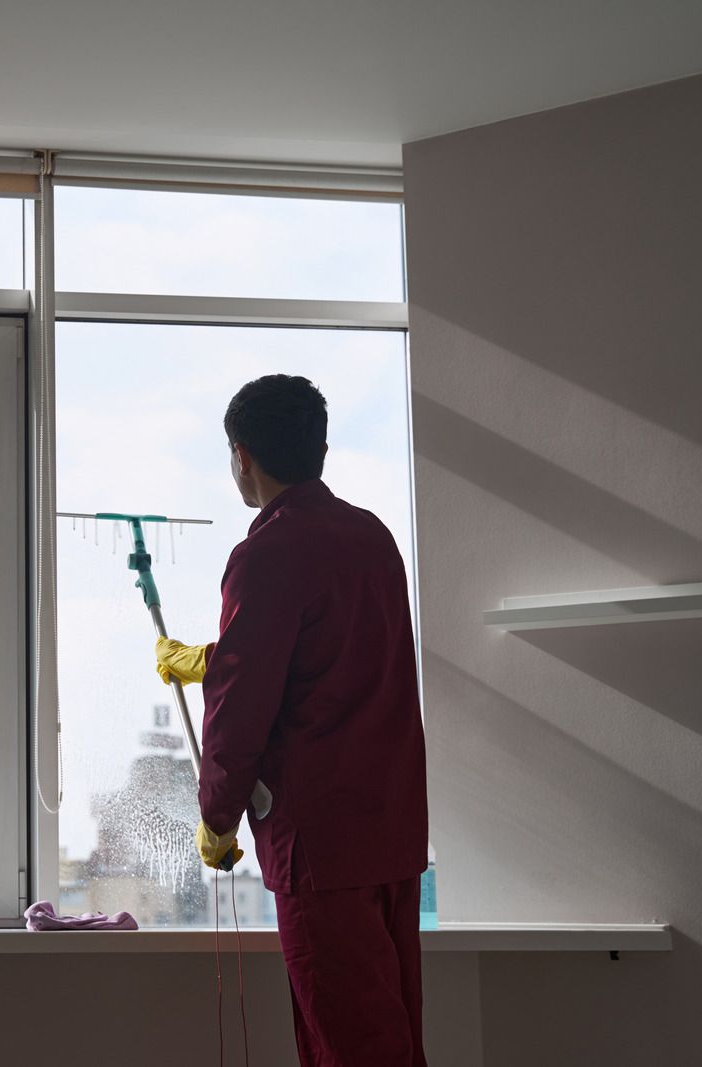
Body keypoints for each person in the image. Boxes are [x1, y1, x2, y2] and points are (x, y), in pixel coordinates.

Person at [155, 374, 429, 1066]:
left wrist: (217, 815)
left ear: (242, 456)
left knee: (353, 1049)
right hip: (391, 834)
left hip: (322, 848)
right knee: (389, 1036)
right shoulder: (372, 539)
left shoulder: (266, 553)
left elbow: (245, 704)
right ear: (322, 447)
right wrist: (214, 658)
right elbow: (335, 659)